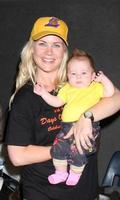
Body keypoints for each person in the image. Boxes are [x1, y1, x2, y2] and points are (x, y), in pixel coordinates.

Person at [4, 16, 120, 200]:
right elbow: (18, 156)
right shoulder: (26, 97)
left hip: (86, 192)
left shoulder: (79, 80)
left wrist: (87, 117)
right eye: (42, 43)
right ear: (31, 48)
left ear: (64, 52)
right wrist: (65, 146)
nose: (49, 52)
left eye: (56, 45)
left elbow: (118, 99)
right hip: (44, 194)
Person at [34, 48, 115, 186]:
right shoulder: (66, 88)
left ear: (92, 75)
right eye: (73, 73)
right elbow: (56, 102)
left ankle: (75, 174)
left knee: (78, 150)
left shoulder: (95, 87)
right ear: (67, 76)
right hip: (66, 126)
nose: (78, 77)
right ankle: (61, 173)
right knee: (58, 148)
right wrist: (43, 93)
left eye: (83, 73)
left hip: (88, 127)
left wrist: (104, 79)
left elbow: (110, 92)